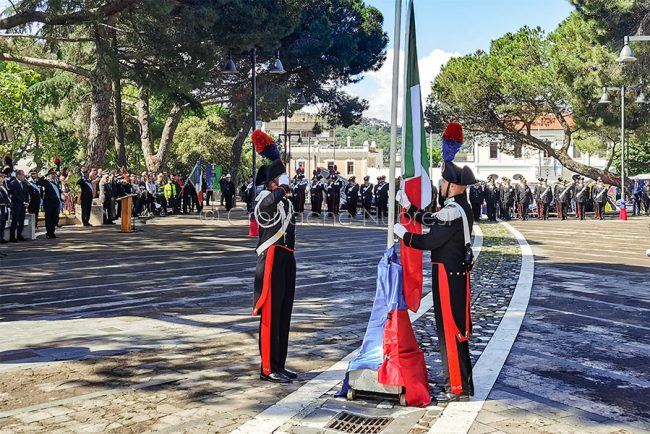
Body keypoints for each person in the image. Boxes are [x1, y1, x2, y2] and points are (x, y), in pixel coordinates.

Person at [393, 122, 475, 403]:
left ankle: (457, 387)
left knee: (450, 330)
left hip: (447, 276)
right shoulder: (458, 207)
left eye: (442, 183)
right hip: (452, 274)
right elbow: (432, 221)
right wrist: (409, 209)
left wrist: (405, 237)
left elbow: (430, 240)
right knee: (455, 331)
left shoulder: (453, 209)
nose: (440, 186)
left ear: (453, 186)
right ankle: (462, 383)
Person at [251, 130, 297, 384]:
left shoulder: (285, 202)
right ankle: (268, 367)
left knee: (284, 313)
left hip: (287, 258)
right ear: (272, 183)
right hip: (271, 258)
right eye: (280, 177)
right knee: (271, 314)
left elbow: (286, 199)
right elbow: (269, 203)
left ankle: (280, 363)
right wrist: (281, 187)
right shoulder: (263, 201)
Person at [39, 168, 62, 239]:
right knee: (48, 219)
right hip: (48, 204)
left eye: (55, 174)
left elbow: (58, 193)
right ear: (49, 175)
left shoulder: (56, 182)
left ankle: (52, 232)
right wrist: (44, 175)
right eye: (52, 174)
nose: (54, 175)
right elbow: (39, 181)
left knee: (54, 219)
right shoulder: (46, 182)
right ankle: (48, 233)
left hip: (56, 203)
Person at [8, 169, 28, 242]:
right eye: (22, 174)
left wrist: (27, 201)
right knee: (15, 221)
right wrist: (23, 202)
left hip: (23, 205)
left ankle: (19, 235)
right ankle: (12, 237)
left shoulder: (24, 183)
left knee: (21, 221)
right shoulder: (13, 183)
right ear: (18, 175)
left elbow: (26, 194)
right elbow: (15, 195)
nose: (24, 176)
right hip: (16, 205)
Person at [0, 172, 10, 243]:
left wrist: (6, 200)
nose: (1, 182)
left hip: (4, 208)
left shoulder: (3, 188)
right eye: (0, 181)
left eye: (2, 181)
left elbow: (7, 198)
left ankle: (1, 237)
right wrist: (5, 200)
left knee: (3, 223)